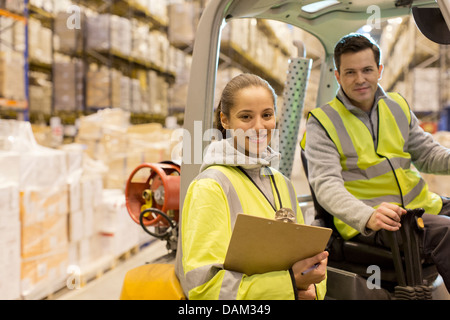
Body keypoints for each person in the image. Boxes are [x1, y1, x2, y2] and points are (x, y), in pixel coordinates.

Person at [301, 33, 450, 291]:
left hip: (419, 208)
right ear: (337, 76)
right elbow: (326, 186)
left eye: (367, 70)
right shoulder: (322, 122)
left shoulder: (397, 106)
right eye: (350, 72)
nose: (360, 79)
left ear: (379, 70)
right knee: (448, 233)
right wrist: (366, 216)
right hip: (375, 221)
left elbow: (427, 155)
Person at [175, 73, 328, 300]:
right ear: (225, 120)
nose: (259, 126)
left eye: (267, 115)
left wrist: (313, 286)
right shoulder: (210, 187)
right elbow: (204, 289)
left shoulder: (282, 184)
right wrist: (291, 286)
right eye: (246, 117)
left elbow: (306, 256)